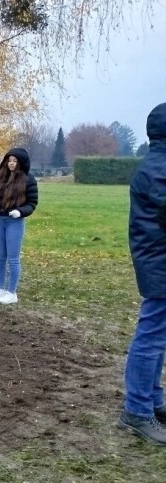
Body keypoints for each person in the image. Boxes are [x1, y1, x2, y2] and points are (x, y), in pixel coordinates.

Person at [118, 102, 166, 445]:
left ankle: (153, 400)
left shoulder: (157, 163)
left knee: (158, 334)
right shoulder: (159, 167)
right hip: (159, 262)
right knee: (151, 335)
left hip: (158, 259)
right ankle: (137, 410)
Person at [0, 148, 39, 305]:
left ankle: (11, 292)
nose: (11, 164)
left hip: (14, 222)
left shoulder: (28, 180)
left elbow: (32, 203)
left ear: (21, 163)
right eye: (9, 160)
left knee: (13, 258)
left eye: (15, 161)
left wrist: (20, 211)